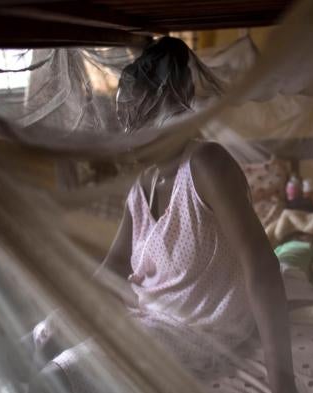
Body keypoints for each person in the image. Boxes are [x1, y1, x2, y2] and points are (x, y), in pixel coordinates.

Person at [30, 36, 297, 393]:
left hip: (201, 332)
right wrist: (72, 308)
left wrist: (283, 381)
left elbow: (261, 267)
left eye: (138, 120)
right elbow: (115, 265)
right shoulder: (143, 182)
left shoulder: (207, 165)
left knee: (50, 382)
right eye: (123, 120)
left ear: (168, 115)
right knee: (41, 338)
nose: (127, 136)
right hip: (147, 317)